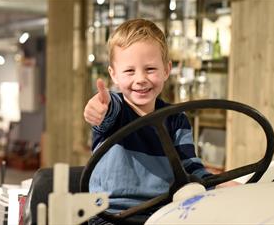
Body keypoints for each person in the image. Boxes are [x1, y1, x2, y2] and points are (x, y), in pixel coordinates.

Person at [83, 19, 212, 224]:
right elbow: (105, 110)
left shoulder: (177, 119)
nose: (140, 79)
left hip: (164, 214)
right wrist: (97, 108)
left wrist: (220, 185)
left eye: (150, 69)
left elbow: (190, 167)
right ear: (113, 74)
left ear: (166, 70)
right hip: (111, 214)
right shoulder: (115, 110)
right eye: (129, 71)